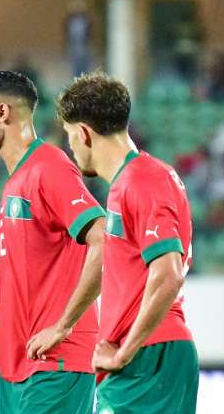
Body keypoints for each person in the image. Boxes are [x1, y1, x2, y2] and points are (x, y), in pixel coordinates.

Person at [0, 71, 105, 413]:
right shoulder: (18, 180)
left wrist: (63, 326)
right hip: (20, 368)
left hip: (55, 364)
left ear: (2, 113)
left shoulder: (49, 167)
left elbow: (105, 240)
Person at [57, 72, 198, 413]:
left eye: (69, 137)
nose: (71, 148)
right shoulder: (135, 180)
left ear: (83, 133)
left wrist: (124, 352)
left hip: (147, 358)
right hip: (148, 356)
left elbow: (169, 273)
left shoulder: (142, 180)